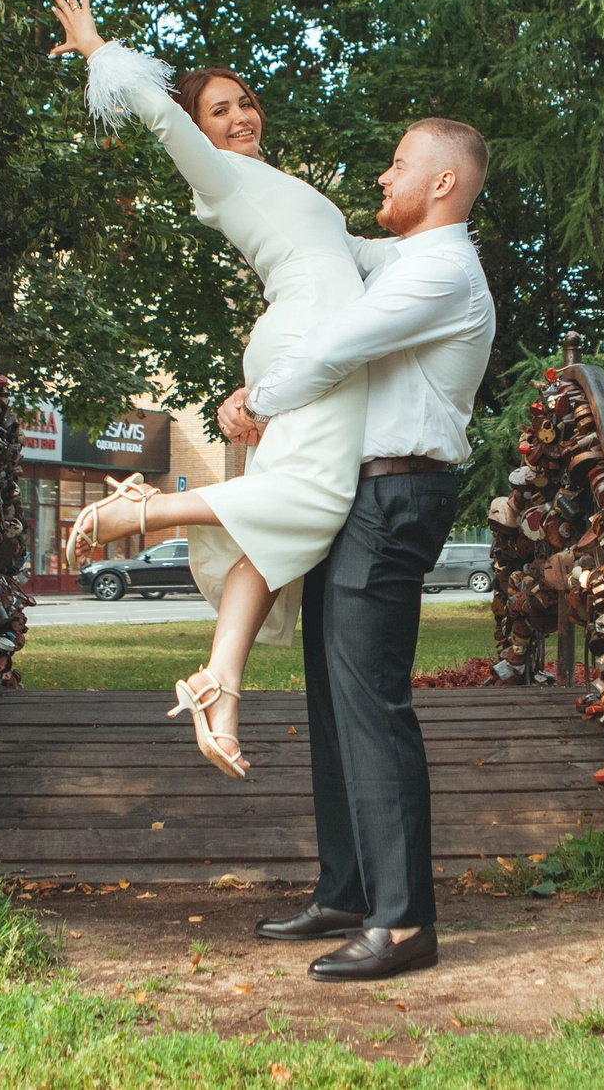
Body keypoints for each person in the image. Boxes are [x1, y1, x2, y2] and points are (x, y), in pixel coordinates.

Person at [47, 0, 370, 782]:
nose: (241, 117)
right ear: (202, 125)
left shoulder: (282, 184)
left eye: (246, 102)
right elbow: (160, 118)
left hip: (304, 341)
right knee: (319, 502)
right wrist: (96, 51)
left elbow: (348, 256)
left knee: (282, 526)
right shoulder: (221, 178)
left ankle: (220, 687)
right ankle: (145, 509)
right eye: (220, 109)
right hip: (317, 341)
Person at [219, 117, 495, 983]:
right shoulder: (401, 260)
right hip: (355, 491)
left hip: (395, 493)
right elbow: (321, 242)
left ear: (444, 183)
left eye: (401, 164)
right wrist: (237, 162)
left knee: (372, 703)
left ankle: (405, 921)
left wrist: (258, 399)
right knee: (334, 700)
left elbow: (335, 348)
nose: (383, 174)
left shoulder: (444, 271)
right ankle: (346, 888)